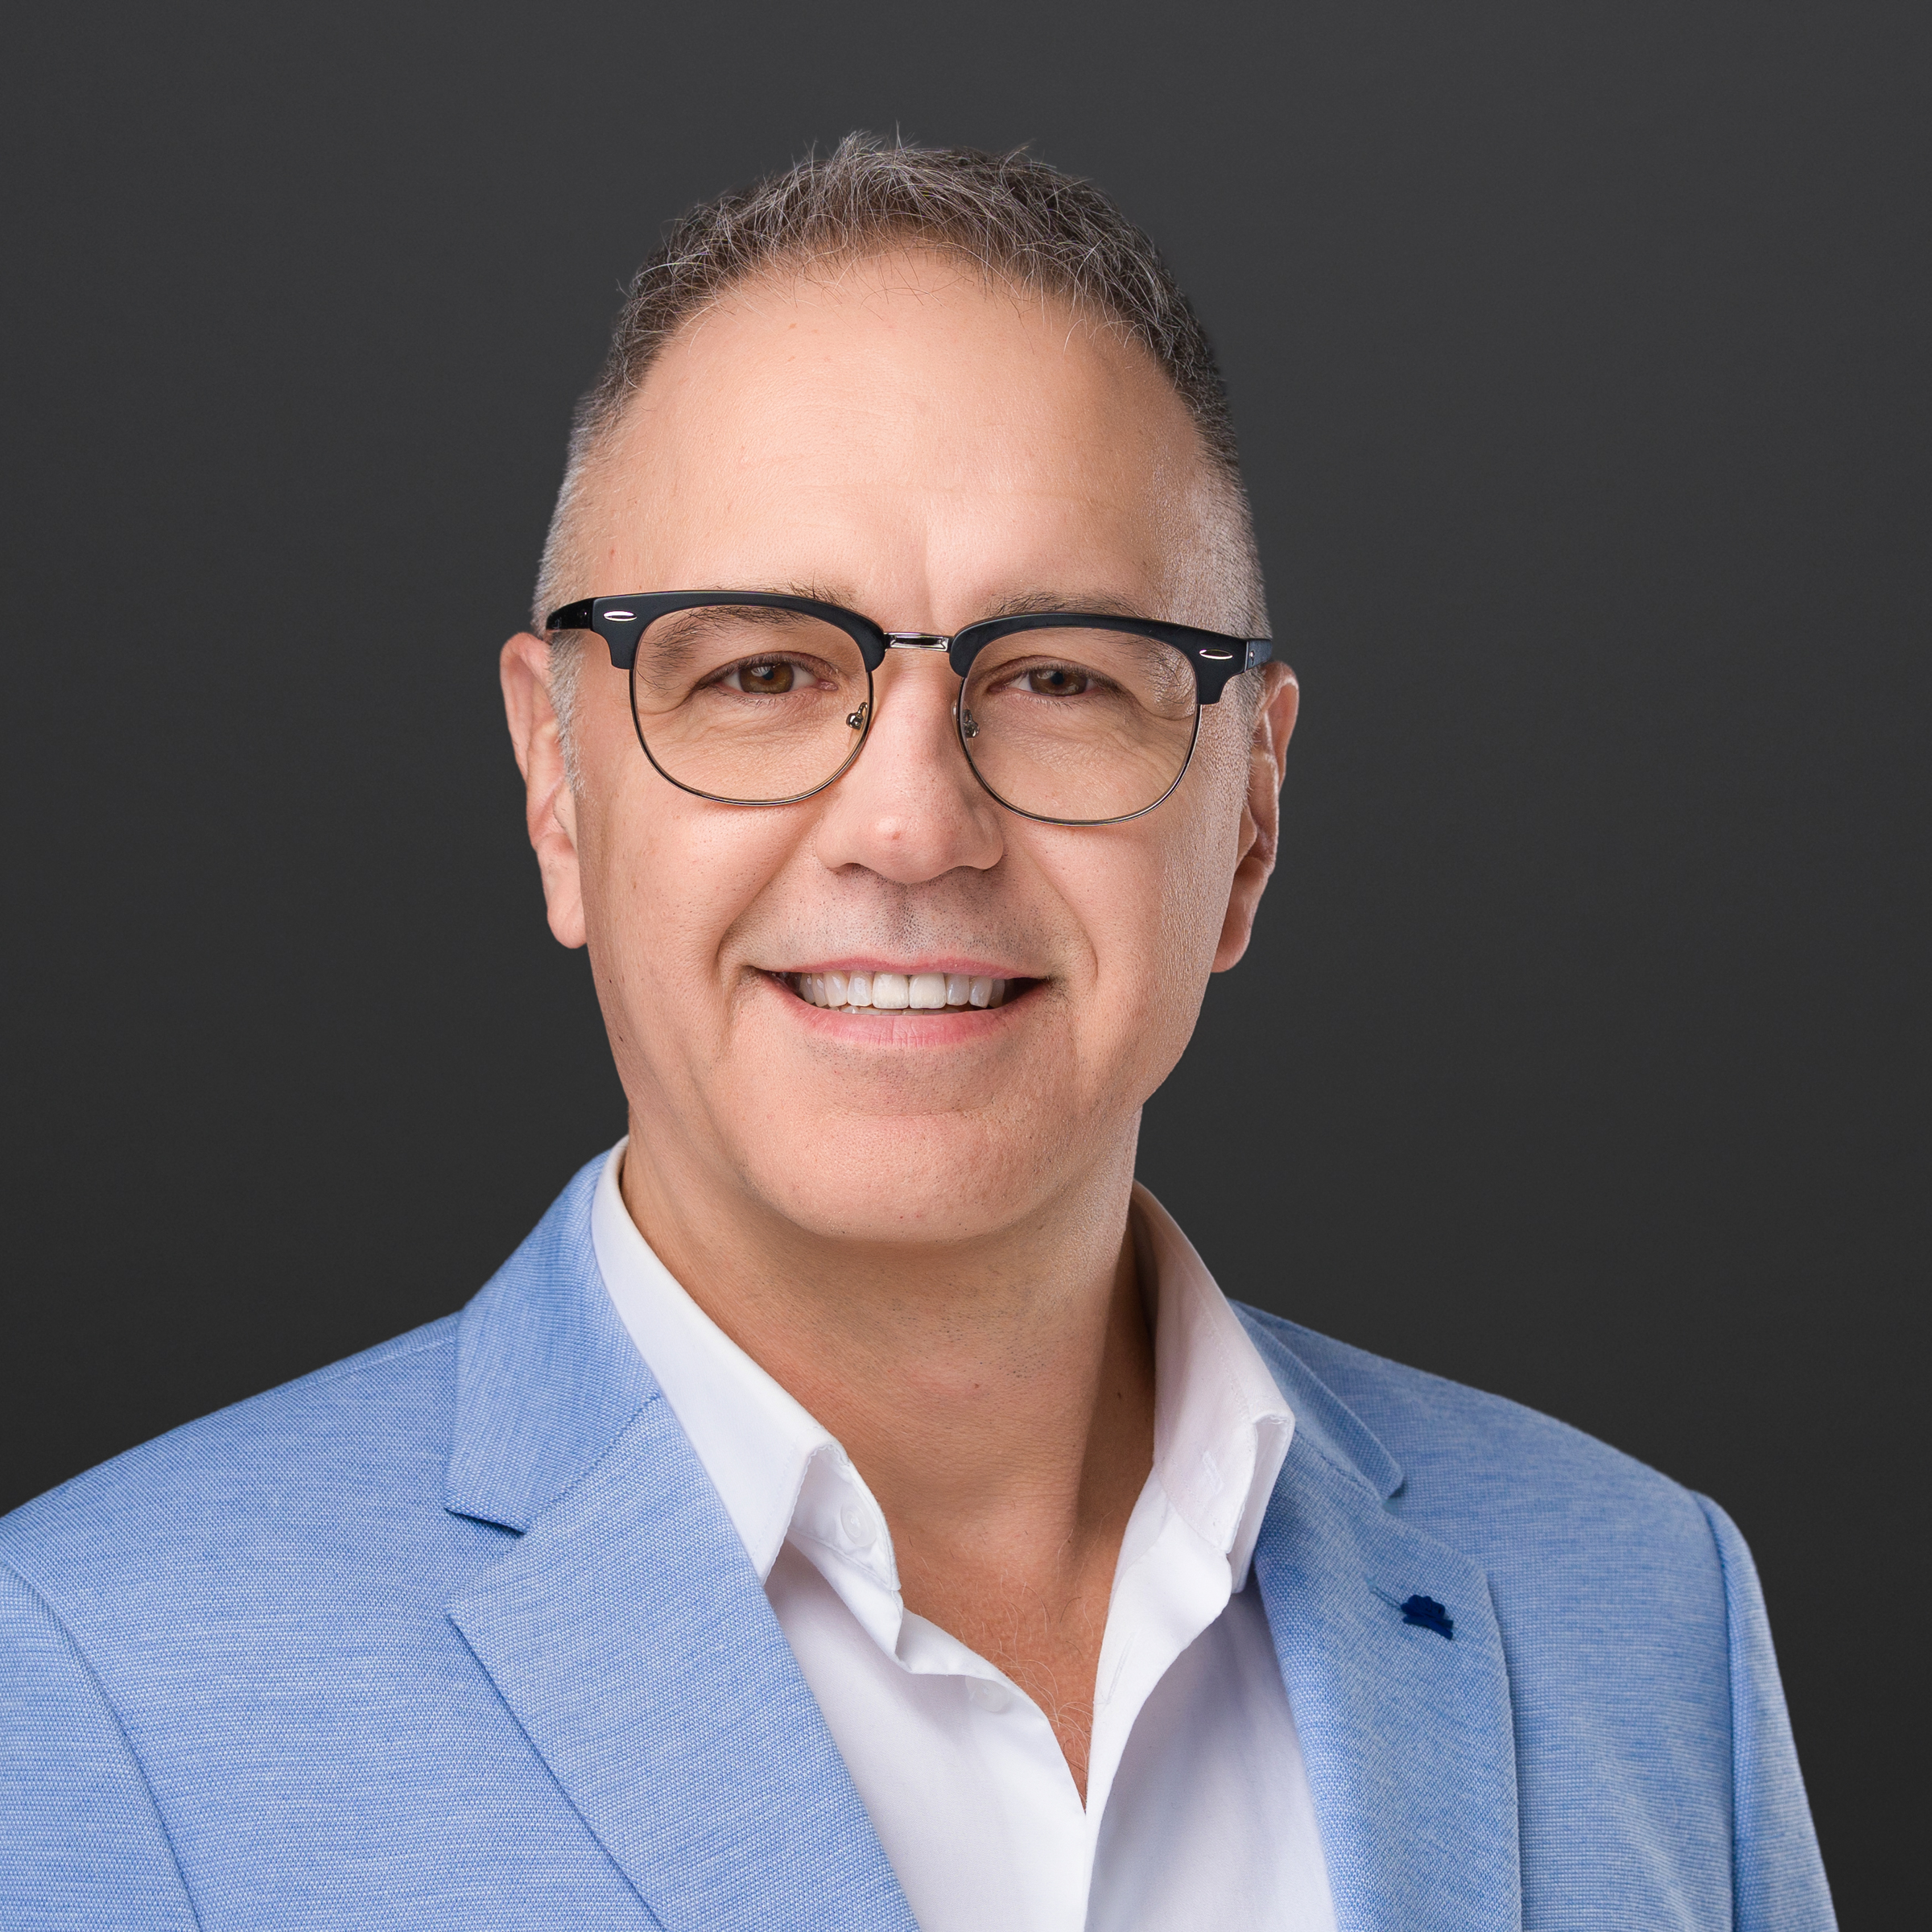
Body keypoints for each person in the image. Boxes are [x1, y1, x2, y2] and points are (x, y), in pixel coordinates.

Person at [0, 136, 1832, 1932]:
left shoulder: (1645, 1613)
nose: (911, 824)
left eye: (1060, 678)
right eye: (758, 672)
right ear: (557, 782)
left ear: (1252, 818)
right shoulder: (96, 1684)